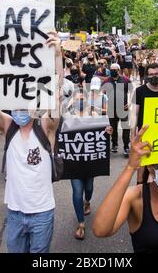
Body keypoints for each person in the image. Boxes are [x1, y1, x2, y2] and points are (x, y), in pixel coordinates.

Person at [0, 32, 62, 253]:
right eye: (14, 105)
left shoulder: (46, 127)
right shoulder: (9, 126)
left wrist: (57, 57)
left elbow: (56, 95)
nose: (19, 110)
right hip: (14, 212)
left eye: (23, 105)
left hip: (42, 213)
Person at [64, 91, 112, 240]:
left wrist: (108, 131)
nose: (80, 101)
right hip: (74, 164)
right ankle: (81, 224)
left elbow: (105, 132)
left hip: (90, 162)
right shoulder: (68, 118)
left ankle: (87, 202)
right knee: (77, 191)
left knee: (89, 188)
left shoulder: (95, 116)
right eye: (77, 99)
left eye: (82, 99)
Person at [131, 63, 158, 184]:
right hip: (145, 136)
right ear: (146, 76)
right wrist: (133, 137)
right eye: (151, 74)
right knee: (142, 168)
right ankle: (141, 192)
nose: (154, 76)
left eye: (156, 74)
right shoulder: (139, 91)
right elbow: (134, 115)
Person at [102, 63, 132, 157]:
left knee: (126, 127)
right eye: (111, 69)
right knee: (113, 128)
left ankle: (126, 146)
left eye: (114, 69)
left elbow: (132, 91)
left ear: (118, 70)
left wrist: (130, 103)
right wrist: (104, 105)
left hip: (123, 108)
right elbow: (102, 93)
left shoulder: (126, 80)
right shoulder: (107, 80)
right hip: (111, 109)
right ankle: (114, 145)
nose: (112, 71)